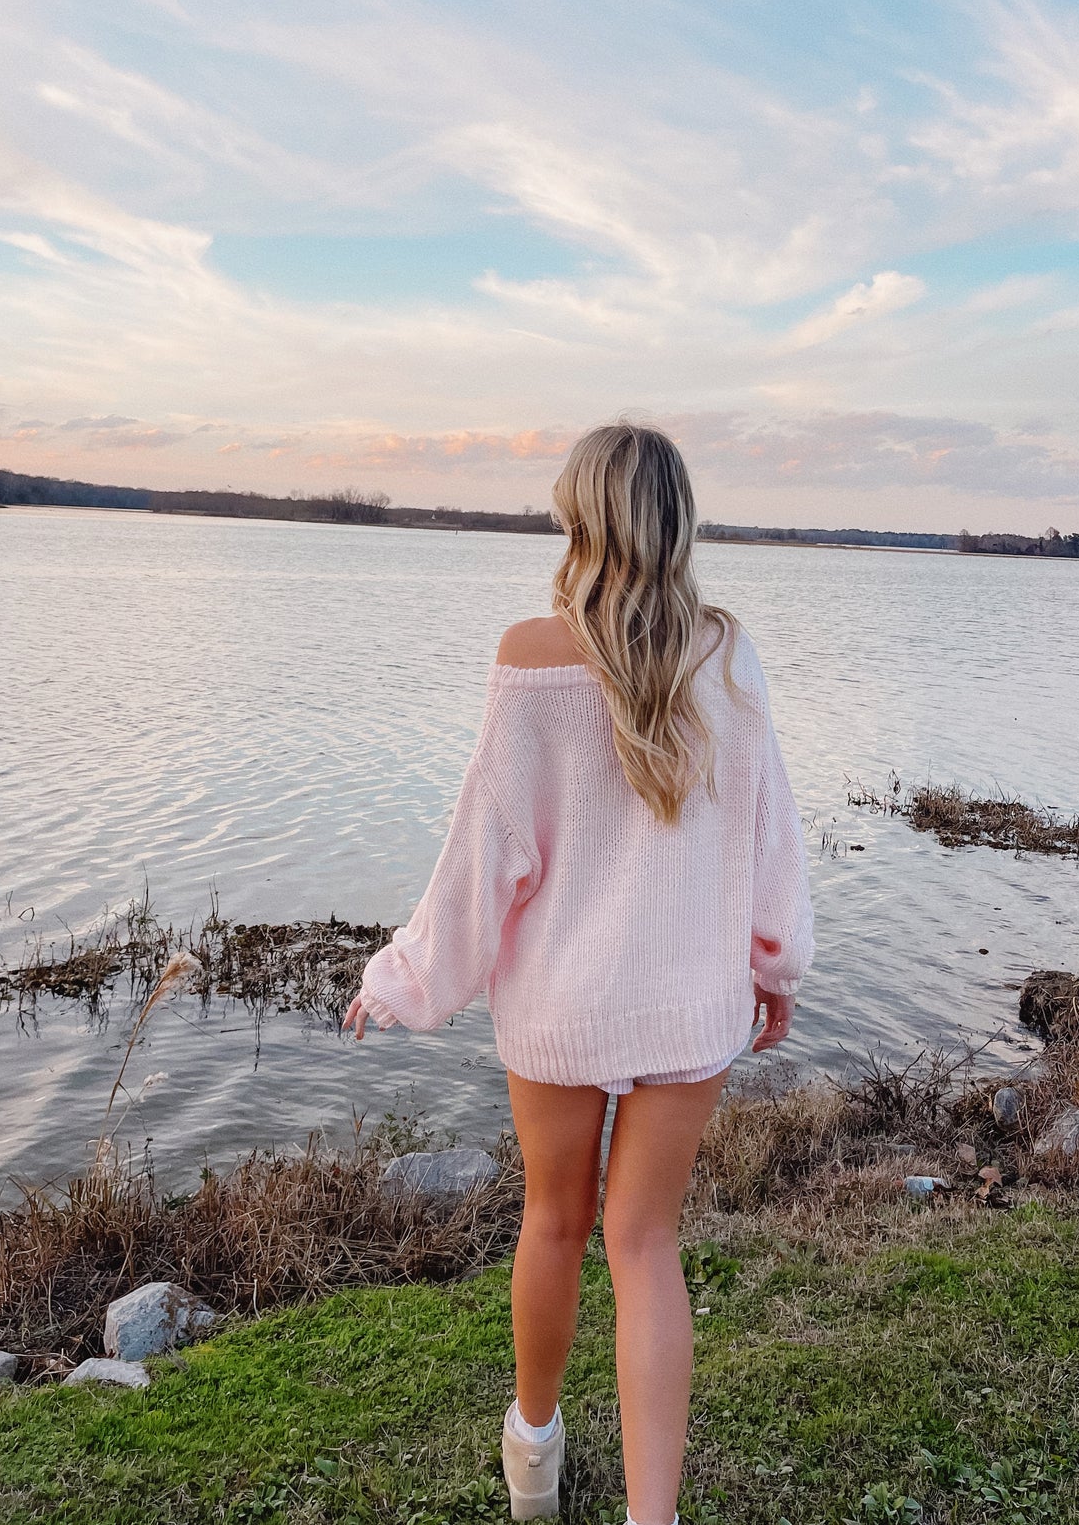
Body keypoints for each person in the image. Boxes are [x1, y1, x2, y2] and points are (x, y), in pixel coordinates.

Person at [343, 422, 813, 1525]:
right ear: (676, 519)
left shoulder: (526, 658)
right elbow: (769, 832)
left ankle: (534, 1456)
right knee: (644, 1243)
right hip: (689, 1002)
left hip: (560, 1002)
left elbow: (483, 857)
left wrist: (405, 976)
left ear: (580, 518)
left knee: (552, 1220)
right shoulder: (728, 655)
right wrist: (775, 961)